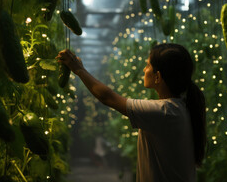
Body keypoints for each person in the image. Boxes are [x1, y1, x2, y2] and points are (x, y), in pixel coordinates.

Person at [56, 43, 206, 182]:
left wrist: (79, 70)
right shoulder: (178, 108)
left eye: (148, 65)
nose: (144, 69)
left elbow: (107, 97)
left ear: (158, 77)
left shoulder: (164, 112)